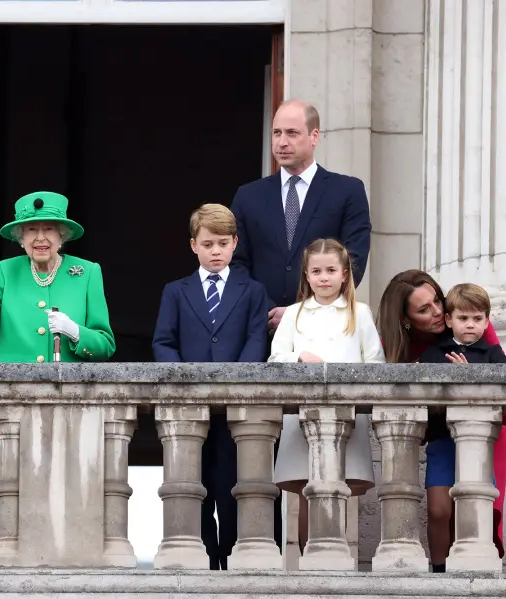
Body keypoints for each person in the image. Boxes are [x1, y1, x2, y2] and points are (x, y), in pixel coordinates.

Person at [230, 99, 372, 547]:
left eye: (292, 133)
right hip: (263, 333)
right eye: (276, 133)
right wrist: (268, 311)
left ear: (314, 136)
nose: (282, 142)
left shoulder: (347, 190)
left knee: (326, 463)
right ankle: (260, 550)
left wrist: (302, 309)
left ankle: (320, 552)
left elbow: (355, 255)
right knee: (263, 449)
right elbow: (240, 263)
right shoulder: (249, 195)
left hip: (325, 332)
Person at [0, 191, 115, 503]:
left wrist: (75, 331)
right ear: (20, 237)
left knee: (66, 501)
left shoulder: (86, 273)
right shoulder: (6, 270)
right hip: (14, 407)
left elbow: (105, 344)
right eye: (31, 230)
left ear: (63, 235)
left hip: (68, 407)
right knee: (11, 499)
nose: (40, 238)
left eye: (49, 229)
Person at [377, 270, 506, 572]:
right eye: (424, 309)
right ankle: (441, 569)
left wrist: (471, 378)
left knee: (477, 502)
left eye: (438, 301)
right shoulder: (424, 351)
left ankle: (474, 563)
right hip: (441, 435)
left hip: (487, 432)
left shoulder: (481, 336)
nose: (438, 311)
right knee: (440, 508)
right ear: (406, 318)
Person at [152, 203, 269, 570]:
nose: (215, 251)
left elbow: (256, 341)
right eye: (207, 244)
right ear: (193, 246)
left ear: (235, 243)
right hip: (190, 411)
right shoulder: (176, 290)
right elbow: (164, 342)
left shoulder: (253, 290)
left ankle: (233, 557)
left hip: (237, 411)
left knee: (233, 485)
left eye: (222, 243)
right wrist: (184, 384)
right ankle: (202, 556)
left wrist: (236, 385)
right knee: (192, 484)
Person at [268, 238, 381, 554]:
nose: (324, 277)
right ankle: (308, 561)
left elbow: (376, 365)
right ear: (306, 275)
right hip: (302, 414)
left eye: (331, 270)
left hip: (347, 416)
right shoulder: (293, 313)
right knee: (308, 490)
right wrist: (301, 356)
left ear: (345, 273)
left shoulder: (360, 313)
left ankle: (336, 558)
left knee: (338, 489)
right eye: (316, 271)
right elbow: (275, 361)